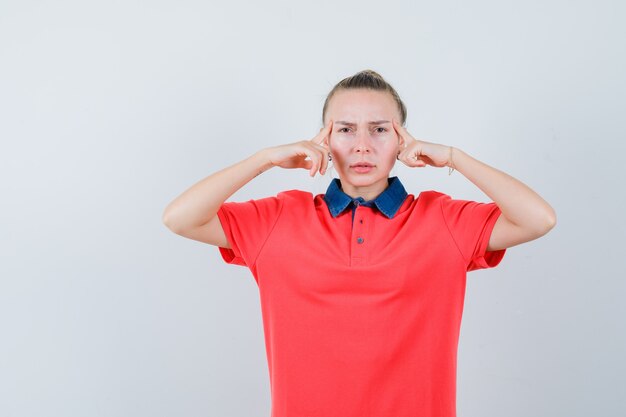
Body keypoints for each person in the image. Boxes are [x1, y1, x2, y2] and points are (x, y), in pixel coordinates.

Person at [162, 69, 556, 417]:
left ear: (402, 140)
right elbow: (179, 218)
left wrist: (453, 157)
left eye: (380, 129)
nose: (363, 145)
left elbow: (539, 219)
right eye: (346, 129)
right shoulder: (280, 218)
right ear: (323, 138)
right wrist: (264, 159)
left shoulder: (442, 219)